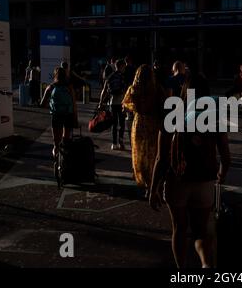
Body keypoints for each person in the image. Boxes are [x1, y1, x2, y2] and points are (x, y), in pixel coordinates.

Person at [150, 73, 231, 269]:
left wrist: (153, 188)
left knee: (179, 228)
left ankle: (182, 270)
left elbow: (161, 158)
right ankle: (205, 264)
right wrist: (221, 174)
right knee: (201, 231)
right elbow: (226, 156)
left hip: (178, 179)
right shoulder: (213, 117)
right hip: (204, 180)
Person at [122, 64, 166, 194]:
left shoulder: (133, 89)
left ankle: (147, 184)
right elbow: (164, 103)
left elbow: (125, 105)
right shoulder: (157, 89)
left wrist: (135, 108)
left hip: (140, 124)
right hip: (154, 124)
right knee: (154, 154)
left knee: (140, 154)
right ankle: (155, 184)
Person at [40, 67, 78, 159]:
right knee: (66, 140)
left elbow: (42, 104)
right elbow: (74, 104)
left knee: (56, 143)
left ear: (55, 75)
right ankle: (64, 160)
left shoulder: (51, 87)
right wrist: (75, 118)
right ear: (65, 76)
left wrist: (51, 104)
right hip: (68, 115)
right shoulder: (69, 87)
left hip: (56, 115)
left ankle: (56, 160)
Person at [99, 59, 127, 151]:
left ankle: (114, 144)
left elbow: (104, 91)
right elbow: (126, 91)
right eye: (124, 67)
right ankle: (121, 141)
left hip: (112, 103)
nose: (125, 69)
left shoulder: (110, 77)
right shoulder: (123, 77)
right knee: (122, 124)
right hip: (121, 103)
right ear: (121, 66)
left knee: (114, 124)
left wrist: (101, 102)